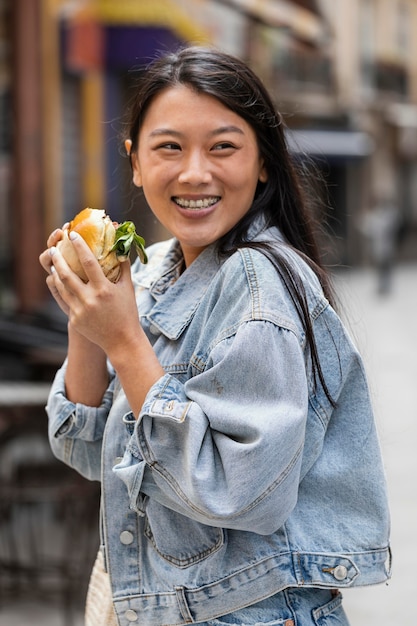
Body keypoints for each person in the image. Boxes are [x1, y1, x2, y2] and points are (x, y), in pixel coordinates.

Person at [39, 46, 391, 626]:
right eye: (169, 147)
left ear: (263, 163)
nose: (194, 172)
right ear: (134, 161)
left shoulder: (261, 283)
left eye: (223, 146)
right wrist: (87, 316)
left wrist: (124, 342)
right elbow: (86, 451)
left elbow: (241, 492)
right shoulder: (149, 270)